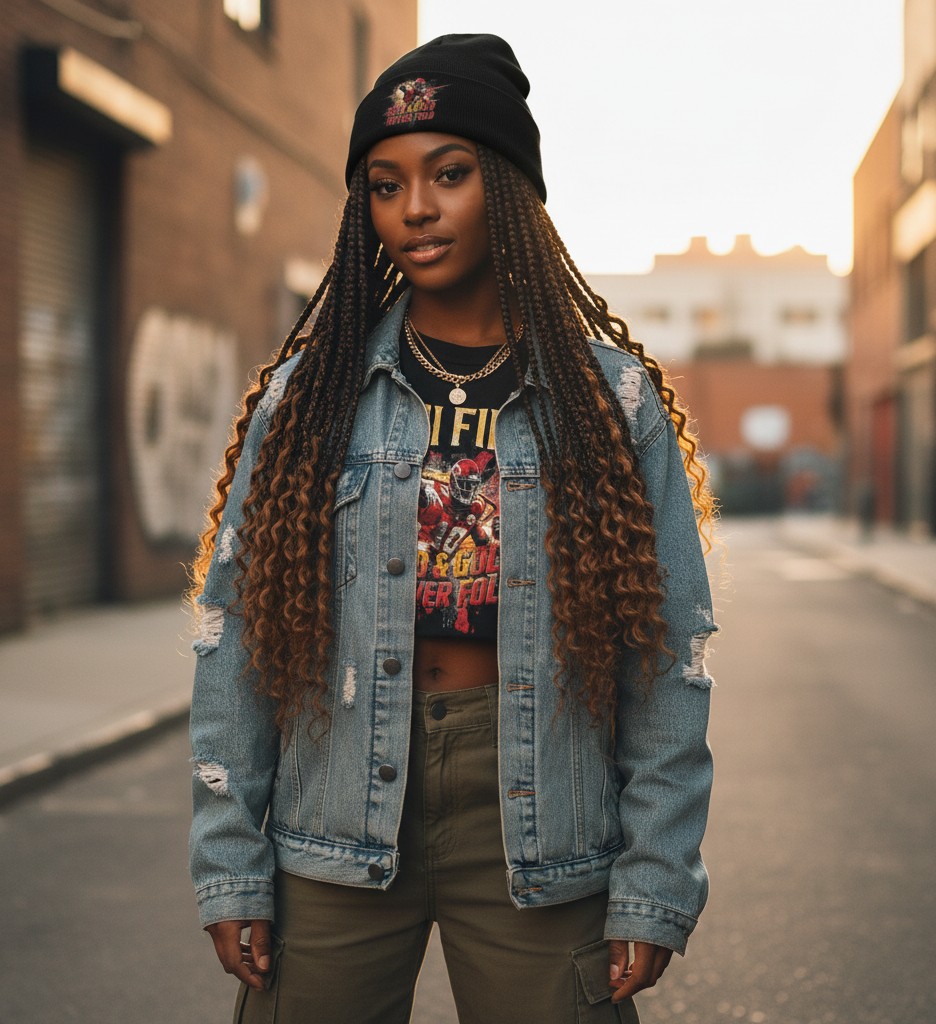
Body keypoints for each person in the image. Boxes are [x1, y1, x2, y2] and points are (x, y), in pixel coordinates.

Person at [188, 33, 717, 1024]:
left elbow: (668, 658)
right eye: (384, 185)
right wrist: (230, 863)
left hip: (539, 819)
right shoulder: (308, 399)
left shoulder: (609, 404)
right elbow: (236, 636)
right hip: (336, 808)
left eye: (449, 173)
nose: (414, 208)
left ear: (508, 184)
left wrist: (653, 871)